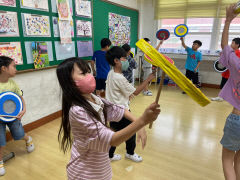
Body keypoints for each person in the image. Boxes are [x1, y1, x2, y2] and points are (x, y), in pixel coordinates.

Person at [56, 57, 160, 180]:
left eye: (88, 71)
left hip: (101, 169)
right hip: (85, 174)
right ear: (70, 83)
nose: (89, 76)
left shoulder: (95, 99)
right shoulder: (77, 111)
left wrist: (139, 123)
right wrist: (142, 121)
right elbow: (112, 140)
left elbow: (117, 109)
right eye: (83, 73)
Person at [105, 46, 156, 162]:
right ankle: (130, 153)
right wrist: (148, 79)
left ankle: (109, 155)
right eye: (124, 58)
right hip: (121, 112)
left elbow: (126, 93)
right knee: (131, 132)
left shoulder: (111, 73)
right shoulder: (119, 78)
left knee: (114, 133)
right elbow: (136, 92)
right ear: (116, 61)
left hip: (112, 111)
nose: (127, 61)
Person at [0, 56, 35, 176]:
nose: (16, 69)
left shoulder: (12, 83)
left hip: (13, 116)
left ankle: (28, 139)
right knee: (1, 142)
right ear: (4, 68)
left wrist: (24, 109)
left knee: (19, 134)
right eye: (14, 66)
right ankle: (0, 162)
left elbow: (20, 98)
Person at [218, 4, 240, 180]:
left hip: (237, 119)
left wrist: (228, 20)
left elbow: (225, 45)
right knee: (239, 161)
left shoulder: (237, 64)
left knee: (227, 160)